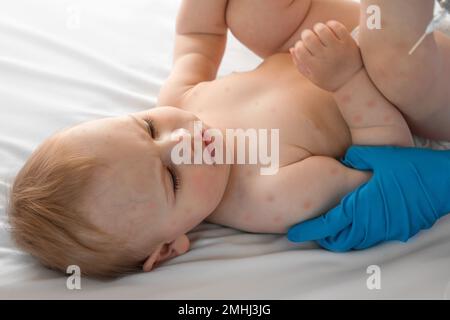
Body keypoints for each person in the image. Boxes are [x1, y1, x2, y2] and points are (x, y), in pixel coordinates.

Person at [7, 0, 449, 278]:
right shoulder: (268, 195)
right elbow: (390, 159)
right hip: (415, 92)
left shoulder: (179, 102)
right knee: (390, 60)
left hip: (338, 38)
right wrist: (348, 80)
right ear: (167, 247)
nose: (181, 138)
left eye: (146, 127)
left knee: (252, 13)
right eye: (172, 175)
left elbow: (197, 37)